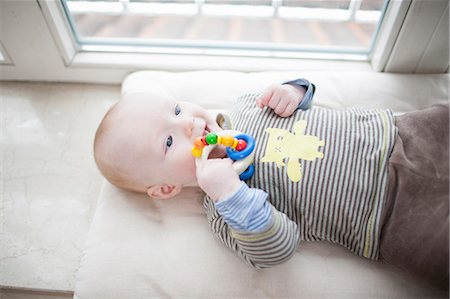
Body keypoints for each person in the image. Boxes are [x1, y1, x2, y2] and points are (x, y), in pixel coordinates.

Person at [93, 78, 449, 291]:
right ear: (166, 188)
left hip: (400, 133)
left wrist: (292, 91)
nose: (187, 123)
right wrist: (230, 193)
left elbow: (305, 95)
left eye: (174, 110)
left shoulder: (248, 105)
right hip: (390, 219)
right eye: (168, 142)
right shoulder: (223, 212)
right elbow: (278, 249)